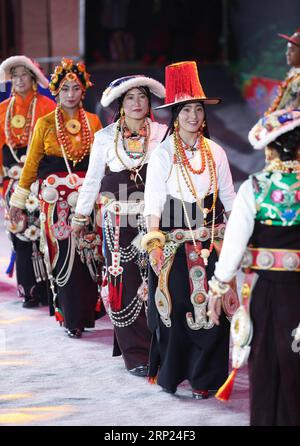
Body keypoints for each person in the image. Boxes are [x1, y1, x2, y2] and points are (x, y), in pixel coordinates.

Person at [142, 61, 237, 398]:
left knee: (215, 309)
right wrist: (154, 243)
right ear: (175, 115)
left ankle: (206, 379)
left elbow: (230, 199)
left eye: (198, 109)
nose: (193, 116)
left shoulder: (217, 153)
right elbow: (152, 202)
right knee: (178, 307)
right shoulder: (163, 154)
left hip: (211, 242)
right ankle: (176, 371)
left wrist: (239, 240)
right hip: (174, 243)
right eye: (186, 110)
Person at [208, 108, 300, 425]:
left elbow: (233, 245)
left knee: (266, 361)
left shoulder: (256, 188)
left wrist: (218, 288)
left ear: (270, 148)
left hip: (268, 293)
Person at [73, 74, 166, 375]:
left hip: (157, 222)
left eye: (142, 97)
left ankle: (163, 348)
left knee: (157, 283)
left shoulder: (164, 134)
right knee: (125, 286)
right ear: (120, 105)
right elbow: (92, 181)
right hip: (117, 225)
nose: (138, 104)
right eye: (130, 98)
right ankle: (137, 354)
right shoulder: (105, 138)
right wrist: (79, 216)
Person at [9, 58, 103, 338]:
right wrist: (17, 201)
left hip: (86, 200)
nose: (71, 94)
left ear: (83, 90)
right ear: (57, 92)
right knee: (62, 256)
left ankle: (87, 313)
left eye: (75, 88)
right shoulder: (45, 123)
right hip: (54, 203)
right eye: (65, 90)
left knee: (88, 255)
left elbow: (101, 166)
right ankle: (70, 317)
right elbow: (31, 165)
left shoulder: (94, 122)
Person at [0, 55, 56, 308]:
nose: (19, 80)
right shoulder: (2, 110)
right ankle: (30, 290)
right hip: (12, 182)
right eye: (15, 75)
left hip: (41, 180)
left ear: (33, 78)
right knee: (20, 233)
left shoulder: (47, 107)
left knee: (44, 233)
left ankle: (50, 290)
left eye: (24, 74)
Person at [266, 28, 300, 113]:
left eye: (292, 50)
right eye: (287, 49)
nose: (287, 53)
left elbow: (294, 109)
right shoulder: (293, 73)